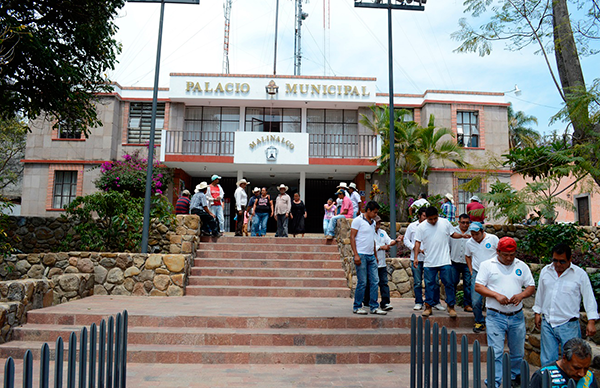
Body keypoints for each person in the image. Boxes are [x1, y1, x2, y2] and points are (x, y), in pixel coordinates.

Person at [475, 237, 535, 388]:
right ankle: (494, 382)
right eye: (505, 255)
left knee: (518, 351)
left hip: (516, 316)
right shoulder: (487, 265)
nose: (509, 258)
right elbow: (478, 286)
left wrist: (521, 295)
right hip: (496, 316)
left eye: (512, 255)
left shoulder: (522, 265)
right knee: (496, 352)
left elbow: (531, 286)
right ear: (498, 252)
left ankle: (514, 377)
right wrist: (496, 295)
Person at [533, 243, 599, 367]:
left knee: (571, 361)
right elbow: (540, 293)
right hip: (548, 323)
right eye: (555, 260)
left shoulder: (579, 274)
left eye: (562, 261)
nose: (558, 264)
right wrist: (537, 312)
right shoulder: (546, 271)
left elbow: (589, 297)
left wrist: (591, 321)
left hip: (569, 325)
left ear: (570, 259)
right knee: (547, 361)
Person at [413, 206, 470, 318]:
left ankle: (451, 306)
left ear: (438, 215)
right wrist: (416, 257)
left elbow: (452, 234)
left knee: (449, 283)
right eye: (430, 219)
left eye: (435, 218)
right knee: (429, 285)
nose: (433, 221)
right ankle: (428, 306)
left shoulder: (445, 223)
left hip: (445, 260)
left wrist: (462, 236)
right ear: (426, 218)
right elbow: (417, 242)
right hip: (429, 261)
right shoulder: (421, 227)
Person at [351, 201, 387, 315]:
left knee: (375, 281)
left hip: (371, 255)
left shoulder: (372, 223)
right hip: (361, 255)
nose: (376, 215)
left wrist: (375, 256)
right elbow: (352, 237)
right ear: (368, 210)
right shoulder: (358, 220)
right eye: (374, 212)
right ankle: (357, 306)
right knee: (362, 282)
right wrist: (356, 254)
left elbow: (373, 240)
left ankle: (374, 306)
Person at [465, 222, 499, 333]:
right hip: (477, 273)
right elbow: (467, 256)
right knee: (475, 300)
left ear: (482, 231)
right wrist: (471, 271)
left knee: (494, 299)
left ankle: (495, 322)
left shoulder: (493, 239)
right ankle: (479, 321)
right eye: (472, 234)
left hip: (493, 273)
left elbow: (500, 253)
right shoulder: (469, 243)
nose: (474, 236)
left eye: (476, 234)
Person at [404, 207, 441, 311]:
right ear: (419, 216)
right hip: (417, 258)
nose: (426, 218)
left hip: (430, 258)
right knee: (418, 282)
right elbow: (406, 240)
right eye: (424, 216)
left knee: (435, 281)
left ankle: (435, 302)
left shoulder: (434, 226)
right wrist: (416, 248)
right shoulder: (412, 226)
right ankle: (419, 302)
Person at [529, 338, 598, 388]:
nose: (582, 374)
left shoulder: (589, 376)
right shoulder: (542, 376)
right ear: (564, 358)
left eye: (586, 368)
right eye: (576, 368)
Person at [363, 216, 395, 311]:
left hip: (382, 263)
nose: (378, 225)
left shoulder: (382, 233)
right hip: (372, 263)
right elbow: (370, 245)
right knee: (370, 283)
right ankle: (367, 301)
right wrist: (381, 247)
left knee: (384, 283)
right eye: (376, 223)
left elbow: (389, 241)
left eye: (379, 223)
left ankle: (385, 303)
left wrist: (395, 241)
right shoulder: (369, 233)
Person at [450, 214, 472, 312]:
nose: (465, 225)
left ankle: (467, 305)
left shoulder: (472, 233)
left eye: (467, 223)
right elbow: (448, 245)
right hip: (454, 262)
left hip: (468, 263)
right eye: (463, 222)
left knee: (468, 284)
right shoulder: (452, 231)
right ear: (459, 222)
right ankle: (451, 305)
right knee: (453, 283)